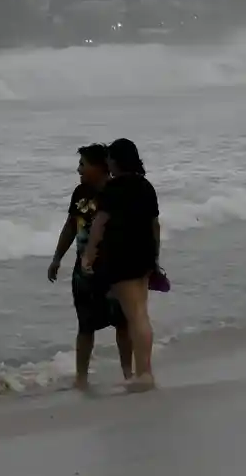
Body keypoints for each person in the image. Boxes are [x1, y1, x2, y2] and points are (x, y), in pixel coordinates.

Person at [48, 144, 133, 390]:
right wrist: (57, 258)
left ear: (99, 167)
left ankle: (128, 375)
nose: (79, 169)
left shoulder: (118, 192)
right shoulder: (80, 193)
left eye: (83, 164)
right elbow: (71, 226)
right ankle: (81, 378)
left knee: (123, 323)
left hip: (116, 269)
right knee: (85, 325)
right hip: (84, 272)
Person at [81, 138, 159, 392]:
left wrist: (89, 255)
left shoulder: (113, 189)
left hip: (120, 258)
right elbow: (154, 226)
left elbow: (99, 225)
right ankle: (144, 372)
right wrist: (155, 257)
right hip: (144, 255)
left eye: (110, 160)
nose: (109, 164)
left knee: (134, 315)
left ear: (116, 161)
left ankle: (144, 374)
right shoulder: (146, 187)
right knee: (141, 314)